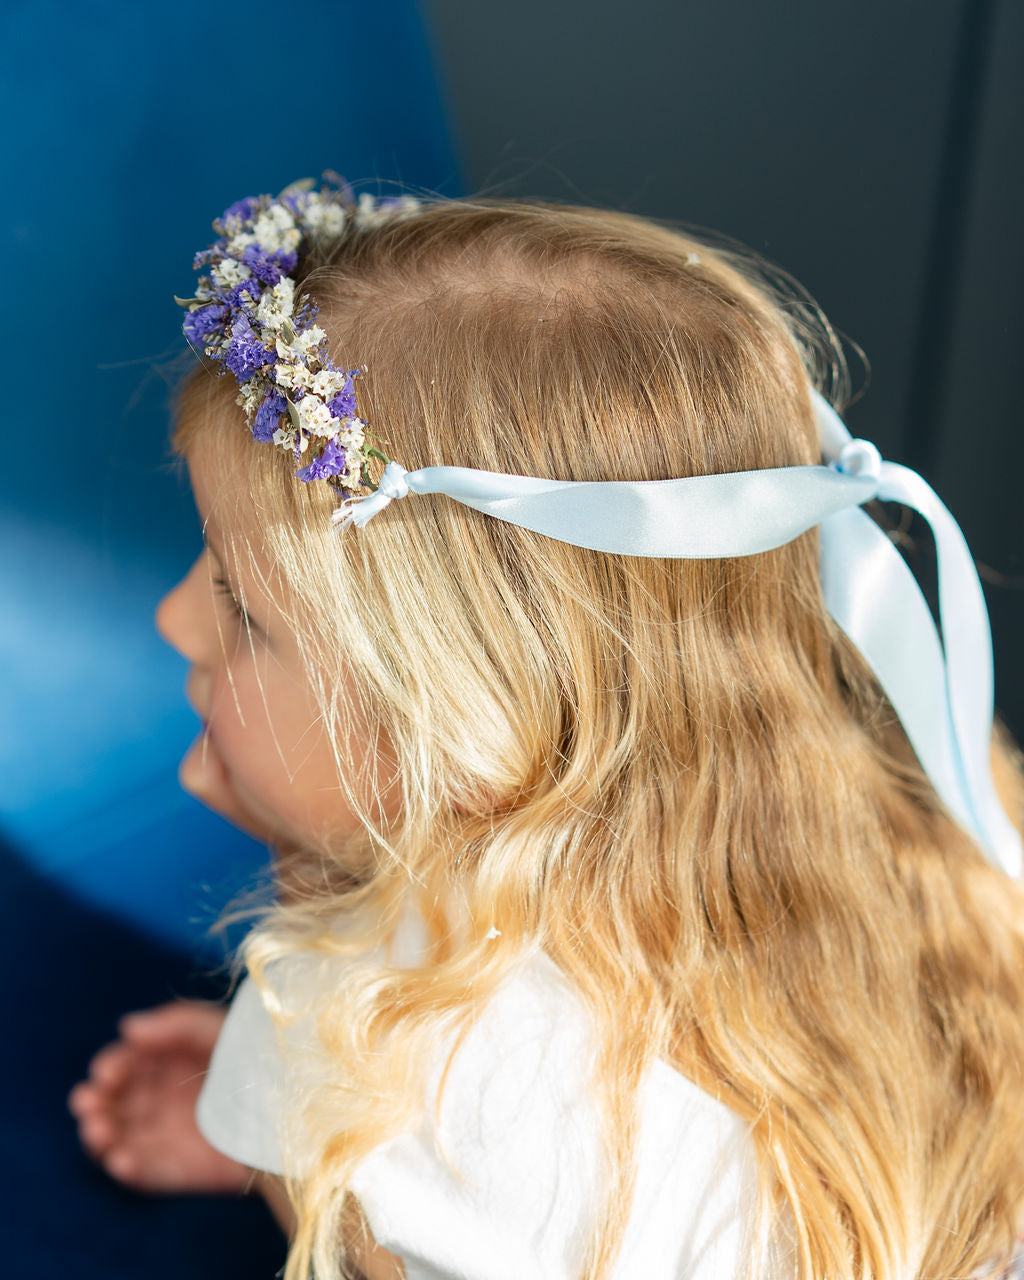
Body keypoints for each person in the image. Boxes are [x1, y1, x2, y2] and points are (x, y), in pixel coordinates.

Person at [69, 178, 1024, 1280]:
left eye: (242, 605)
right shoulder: (945, 829)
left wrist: (295, 1106)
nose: (172, 617)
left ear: (464, 730)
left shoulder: (388, 1055)